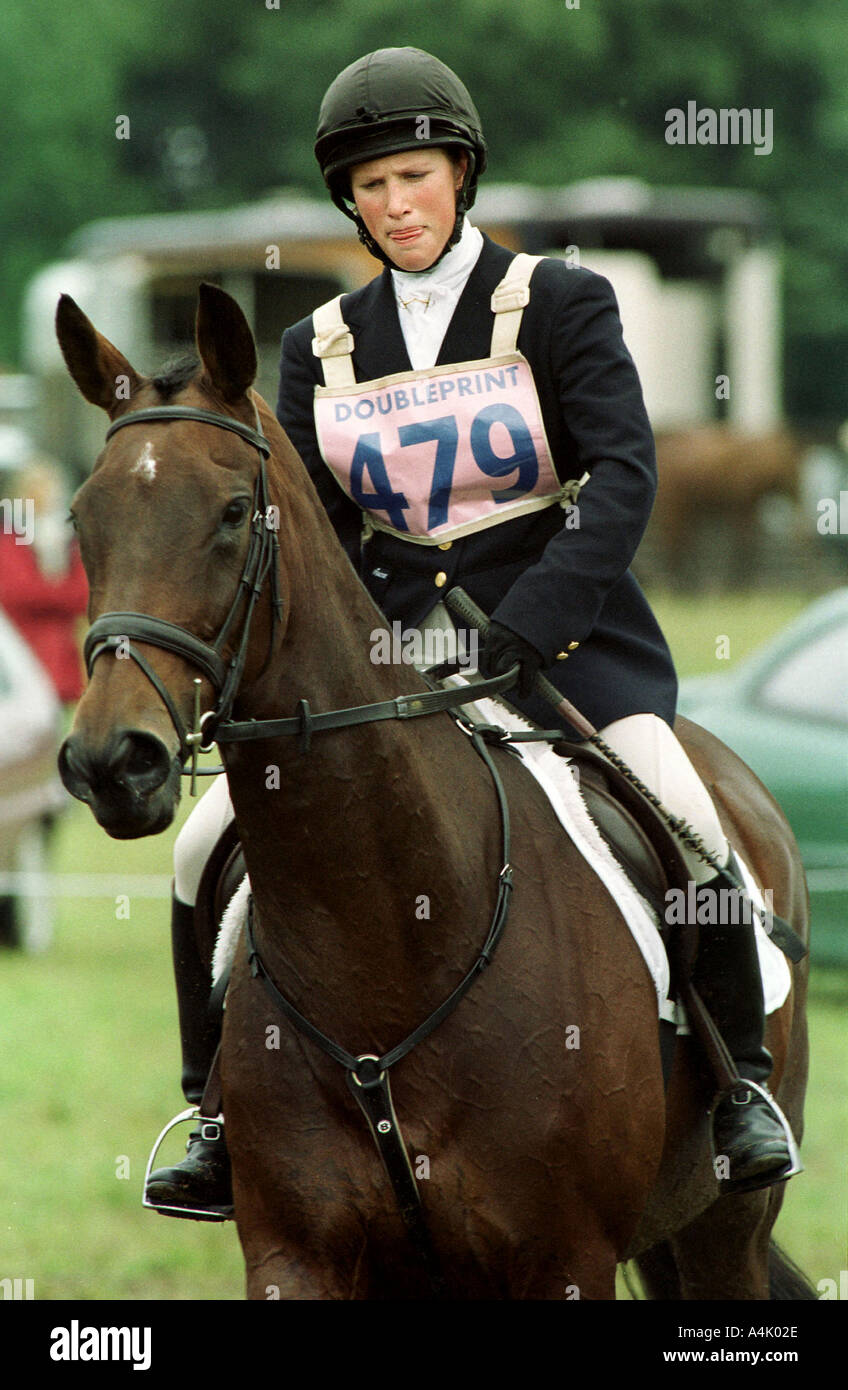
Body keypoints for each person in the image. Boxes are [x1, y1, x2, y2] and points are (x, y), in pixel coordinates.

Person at [145, 47, 798, 1218]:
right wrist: (360, 645)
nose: (394, 205)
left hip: (564, 639)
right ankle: (211, 1114)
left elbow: (622, 479)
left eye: (412, 176)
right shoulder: (320, 346)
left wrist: (524, 626)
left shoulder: (557, 301)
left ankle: (740, 1082)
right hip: (389, 657)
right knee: (202, 846)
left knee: (688, 820)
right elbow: (319, 532)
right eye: (370, 186)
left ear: (459, 172)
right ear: (347, 200)